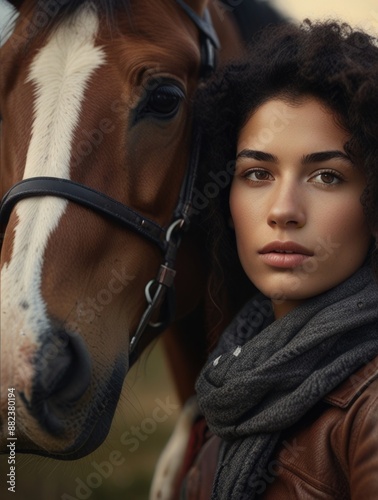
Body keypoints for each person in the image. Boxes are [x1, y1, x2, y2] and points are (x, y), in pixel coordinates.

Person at [171, 20, 378, 500]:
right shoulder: (231, 389)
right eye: (258, 173)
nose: (284, 210)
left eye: (327, 176)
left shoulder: (367, 413)